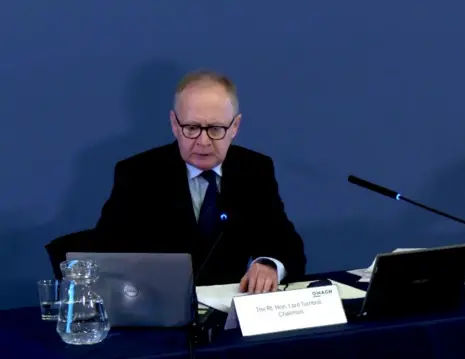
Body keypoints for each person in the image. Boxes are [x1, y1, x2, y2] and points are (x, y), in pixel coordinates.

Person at [95, 69, 306, 293]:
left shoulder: (254, 170)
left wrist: (268, 264)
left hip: (228, 314)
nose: (203, 141)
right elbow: (106, 255)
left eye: (216, 129)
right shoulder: (137, 174)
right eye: (192, 128)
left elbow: (287, 245)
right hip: (159, 309)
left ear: (235, 127)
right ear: (174, 125)